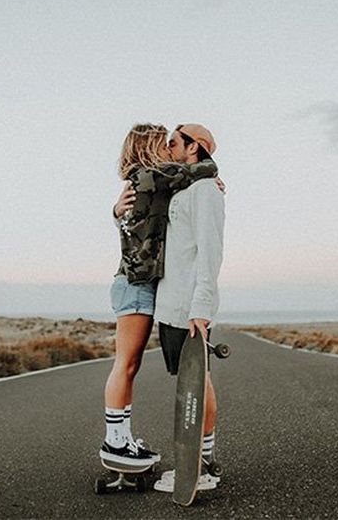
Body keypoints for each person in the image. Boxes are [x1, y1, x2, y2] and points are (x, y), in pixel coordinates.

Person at [100, 123, 220, 468]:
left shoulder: (148, 184)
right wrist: (209, 173)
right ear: (148, 147)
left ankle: (120, 440)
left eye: (173, 143)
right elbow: (196, 170)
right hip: (135, 285)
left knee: (131, 363)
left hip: (142, 284)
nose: (169, 148)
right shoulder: (148, 179)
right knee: (127, 363)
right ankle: (116, 442)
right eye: (163, 143)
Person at [151, 124, 225, 493]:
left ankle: (201, 466)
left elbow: (210, 254)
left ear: (194, 148)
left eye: (174, 142)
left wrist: (201, 306)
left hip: (188, 306)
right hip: (171, 303)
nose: (168, 147)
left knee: (197, 384)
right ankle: (198, 463)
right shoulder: (185, 188)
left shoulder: (206, 192)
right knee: (188, 385)